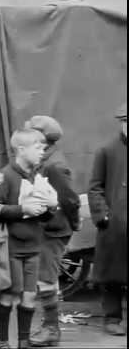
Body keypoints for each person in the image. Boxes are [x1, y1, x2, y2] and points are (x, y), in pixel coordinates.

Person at [0, 129, 57, 349]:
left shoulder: (36, 176)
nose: (42, 153)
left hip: (33, 246)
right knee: (10, 295)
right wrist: (22, 209)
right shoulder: (6, 175)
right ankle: (2, 342)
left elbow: (43, 216)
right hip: (11, 246)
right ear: (21, 149)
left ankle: (23, 341)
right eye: (37, 148)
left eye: (43, 149)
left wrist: (50, 208)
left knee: (29, 297)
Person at [24, 116, 81, 347]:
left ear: (43, 138)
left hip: (54, 229)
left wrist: (74, 223)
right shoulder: (44, 158)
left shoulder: (54, 165)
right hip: (45, 227)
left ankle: (51, 329)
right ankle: (49, 326)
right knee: (42, 276)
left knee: (46, 278)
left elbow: (70, 199)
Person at [88, 103, 127, 336]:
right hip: (115, 225)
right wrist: (102, 216)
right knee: (112, 275)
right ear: (122, 124)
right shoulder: (106, 151)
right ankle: (112, 317)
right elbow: (95, 188)